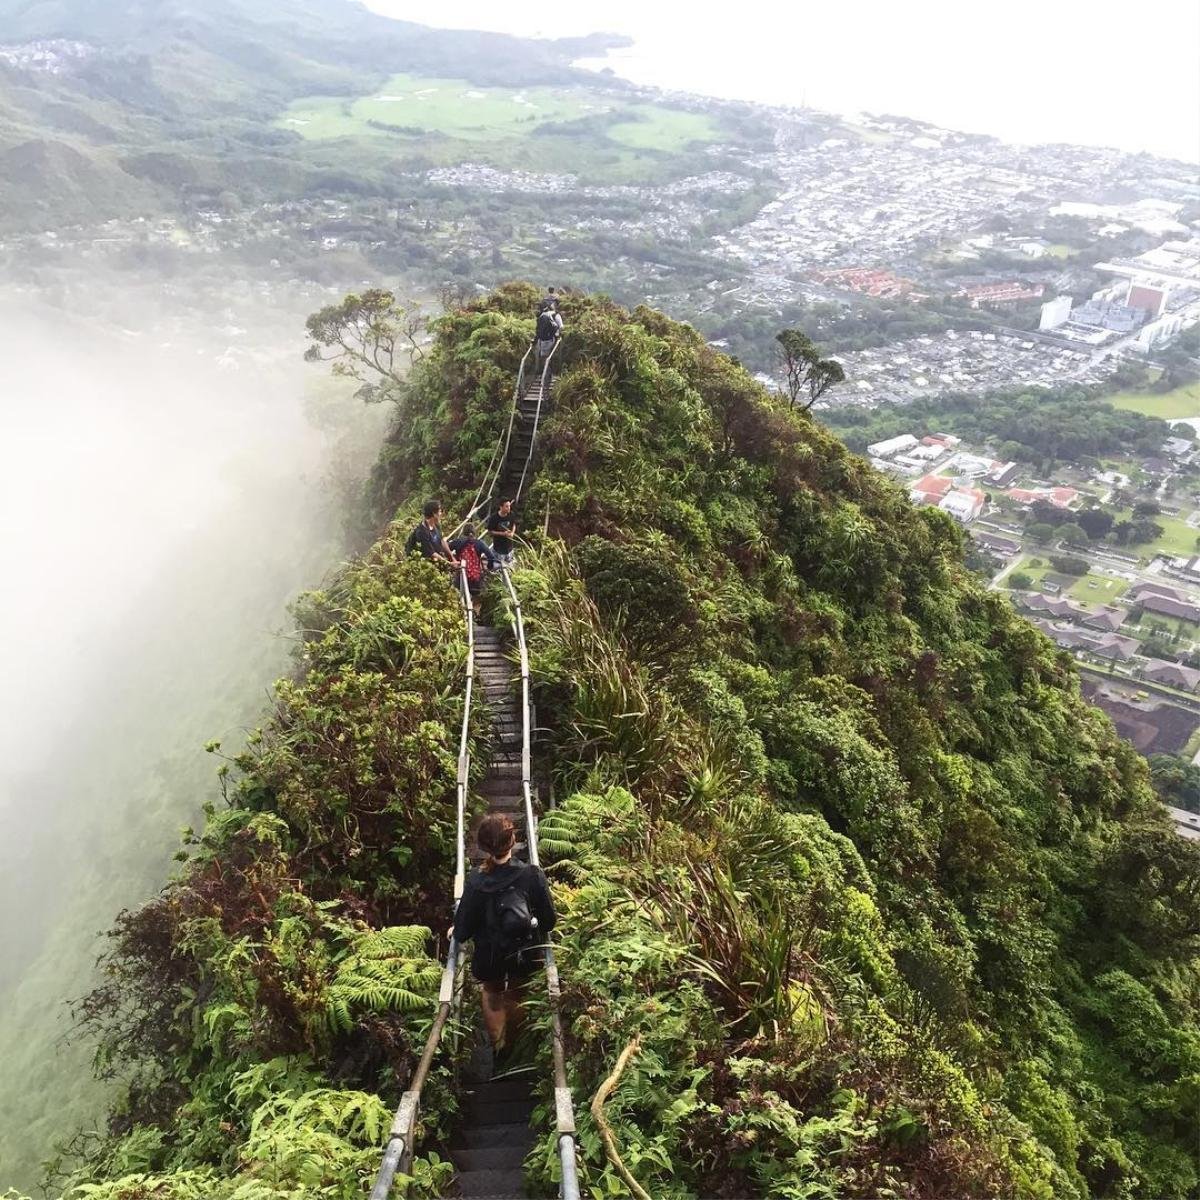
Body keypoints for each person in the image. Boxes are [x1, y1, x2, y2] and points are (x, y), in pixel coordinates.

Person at [452, 814, 556, 1056]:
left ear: (483, 846)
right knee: (518, 991)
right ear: (513, 840)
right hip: (524, 951)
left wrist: (455, 929)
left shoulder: (476, 880)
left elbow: (463, 930)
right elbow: (549, 921)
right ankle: (514, 1045)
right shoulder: (532, 875)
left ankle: (498, 1046)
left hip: (489, 955)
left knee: (492, 991)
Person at [448, 523, 497, 615]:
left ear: (463, 532)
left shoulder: (458, 542)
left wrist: (452, 560)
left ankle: (462, 615)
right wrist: (489, 567)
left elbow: (445, 548)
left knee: (458, 595)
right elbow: (491, 557)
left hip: (462, 576)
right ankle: (475, 614)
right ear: (474, 533)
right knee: (477, 596)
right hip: (476, 578)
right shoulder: (480, 543)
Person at [404, 500, 457, 566]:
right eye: (440, 511)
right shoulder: (422, 532)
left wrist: (452, 558)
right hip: (422, 564)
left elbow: (442, 541)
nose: (441, 514)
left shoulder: (436, 525)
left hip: (436, 561)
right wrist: (448, 563)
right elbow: (431, 554)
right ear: (434, 514)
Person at [533, 300, 563, 380]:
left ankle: (547, 375)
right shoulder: (551, 315)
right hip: (550, 339)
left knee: (545, 357)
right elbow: (560, 327)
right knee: (548, 357)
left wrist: (535, 340)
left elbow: (538, 331)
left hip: (546, 340)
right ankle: (548, 374)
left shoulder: (545, 316)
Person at [486, 499, 518, 569]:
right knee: (499, 568)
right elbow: (490, 531)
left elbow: (513, 525)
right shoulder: (494, 518)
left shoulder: (511, 514)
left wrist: (512, 532)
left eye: (509, 506)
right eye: (506, 506)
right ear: (501, 507)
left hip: (509, 547)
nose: (509, 508)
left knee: (510, 566)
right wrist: (502, 534)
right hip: (499, 548)